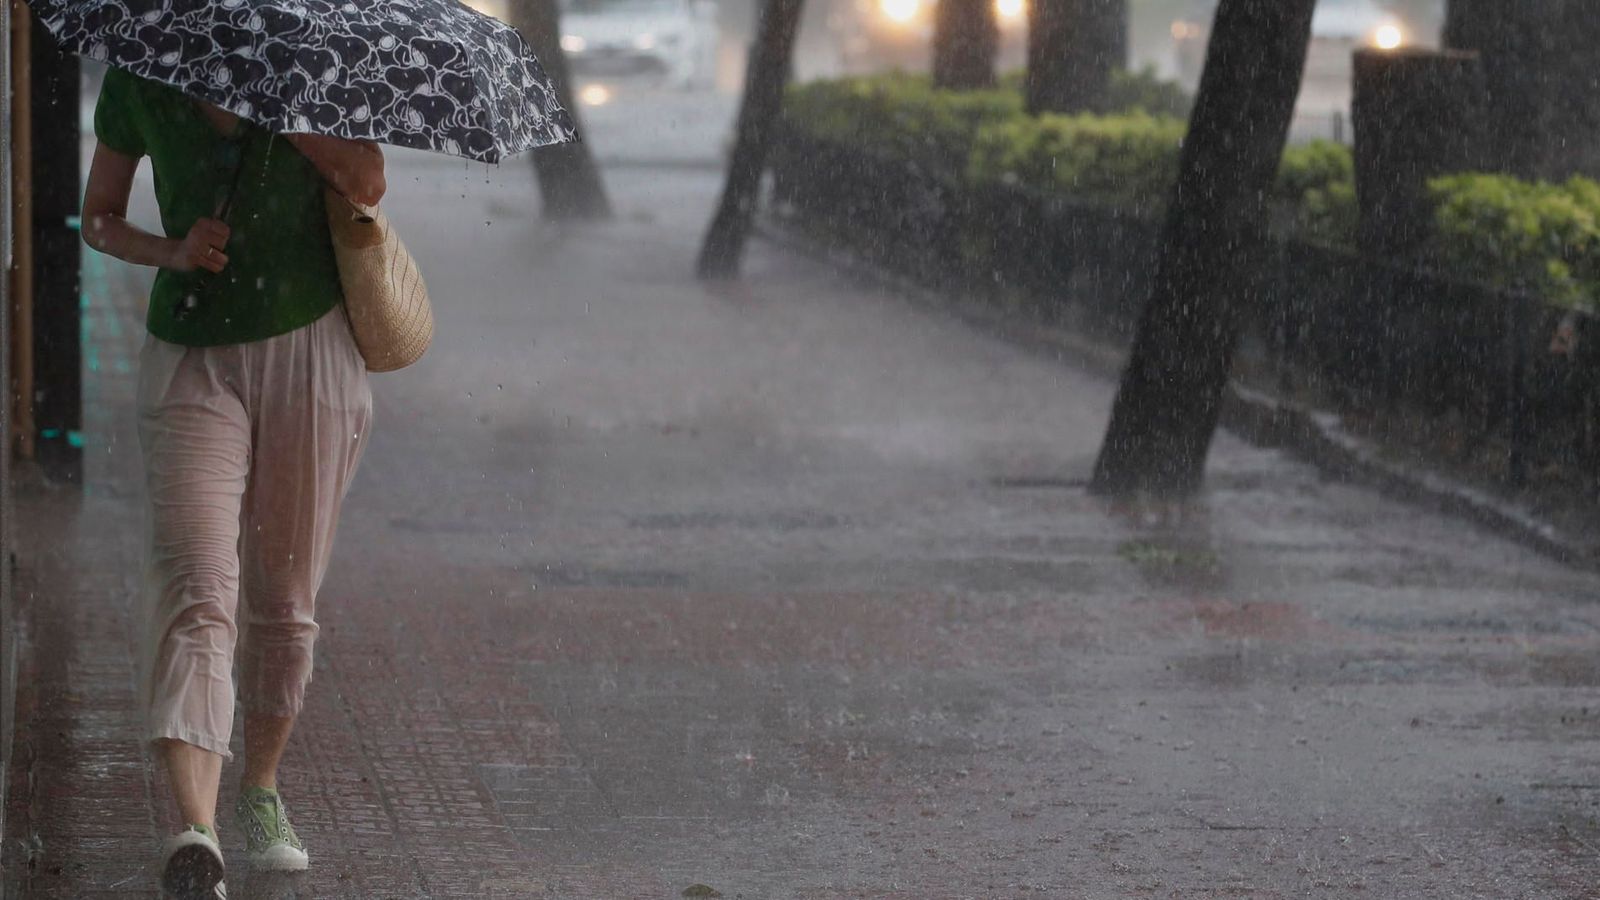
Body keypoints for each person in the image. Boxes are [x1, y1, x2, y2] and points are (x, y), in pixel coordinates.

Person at [80, 66, 387, 900]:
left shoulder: (315, 62)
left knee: (284, 599)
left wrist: (282, 108)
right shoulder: (144, 74)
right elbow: (99, 218)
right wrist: (171, 251)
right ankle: (197, 829)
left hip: (311, 349)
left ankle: (261, 789)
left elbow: (368, 180)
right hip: (191, 358)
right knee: (198, 583)